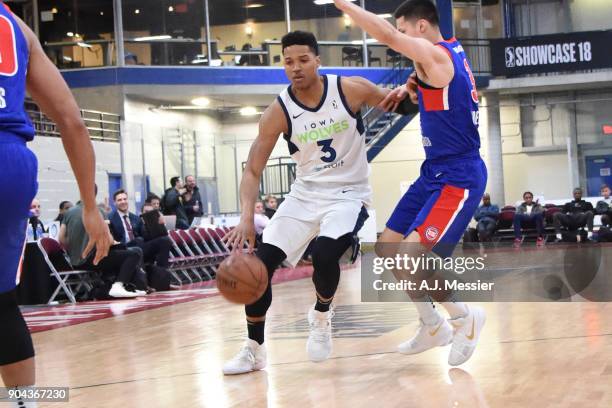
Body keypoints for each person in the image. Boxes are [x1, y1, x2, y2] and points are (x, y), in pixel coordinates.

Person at [222, 30, 401, 375]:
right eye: (288, 62)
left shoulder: (350, 89)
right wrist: (246, 215)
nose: (296, 67)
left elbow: (396, 102)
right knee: (258, 268)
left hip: (348, 194)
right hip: (305, 195)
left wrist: (419, 84)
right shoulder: (278, 110)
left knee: (323, 254)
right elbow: (253, 169)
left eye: (303, 60)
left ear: (318, 60)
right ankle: (253, 349)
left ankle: (321, 313)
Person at [334, 0, 487, 366]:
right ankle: (432, 324)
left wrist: (343, 4)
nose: (399, 38)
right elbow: (431, 85)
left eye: (404, 31)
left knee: (412, 259)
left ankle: (465, 318)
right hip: (433, 169)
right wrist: (410, 89)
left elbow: (386, 34)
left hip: (459, 176)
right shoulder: (444, 53)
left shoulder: (436, 56)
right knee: (386, 250)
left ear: (421, 27)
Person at [0, 4, 112, 407]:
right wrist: (90, 206)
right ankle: (23, 402)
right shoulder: (17, 28)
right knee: (2, 302)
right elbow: (72, 120)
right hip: (12, 163)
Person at [60, 190, 145, 298]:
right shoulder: (99, 211)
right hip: (93, 259)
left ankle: (127, 287)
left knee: (120, 255)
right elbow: (108, 240)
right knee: (133, 254)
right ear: (95, 194)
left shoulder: (68, 212)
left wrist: (77, 244)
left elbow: (61, 239)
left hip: (74, 261)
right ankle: (119, 286)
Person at [109, 189, 172, 273]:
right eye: (119, 200)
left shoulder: (135, 218)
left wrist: (159, 225)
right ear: (114, 203)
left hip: (138, 246)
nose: (123, 202)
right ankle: (143, 280)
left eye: (125, 199)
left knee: (165, 240)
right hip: (122, 248)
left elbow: (147, 236)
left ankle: (162, 275)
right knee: (139, 240)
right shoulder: (110, 218)